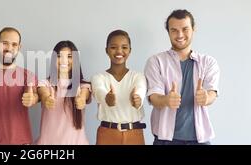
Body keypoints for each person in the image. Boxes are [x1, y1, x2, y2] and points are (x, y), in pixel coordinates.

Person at [144, 9, 220, 145]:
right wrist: (166, 100)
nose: (180, 35)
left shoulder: (208, 62)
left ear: (193, 29)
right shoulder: (156, 61)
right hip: (165, 140)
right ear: (168, 32)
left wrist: (207, 97)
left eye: (185, 29)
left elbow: (212, 92)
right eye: (174, 30)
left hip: (199, 140)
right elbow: (153, 96)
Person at [91, 30, 147, 145]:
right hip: (107, 134)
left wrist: (137, 100)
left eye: (124, 47)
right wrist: (107, 98)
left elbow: (141, 90)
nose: (119, 51)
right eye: (113, 47)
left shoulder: (138, 76)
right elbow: (99, 92)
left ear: (130, 51)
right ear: (106, 50)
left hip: (134, 134)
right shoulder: (98, 77)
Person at [35, 40, 91, 145]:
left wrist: (81, 99)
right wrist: (47, 99)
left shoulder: (83, 85)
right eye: (59, 56)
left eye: (69, 56)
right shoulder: (45, 84)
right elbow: (43, 92)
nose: (64, 60)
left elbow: (84, 94)